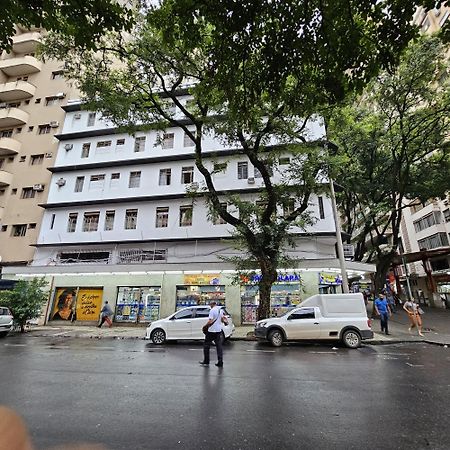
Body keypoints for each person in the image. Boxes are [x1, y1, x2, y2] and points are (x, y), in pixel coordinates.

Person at [199, 300, 228, 367]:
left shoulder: (212, 310)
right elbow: (223, 319)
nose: (210, 306)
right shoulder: (220, 310)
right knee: (219, 346)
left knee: (206, 345)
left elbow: (210, 321)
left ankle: (206, 361)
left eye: (210, 304)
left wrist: (205, 326)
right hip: (218, 330)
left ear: (212, 304)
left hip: (211, 331)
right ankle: (220, 362)